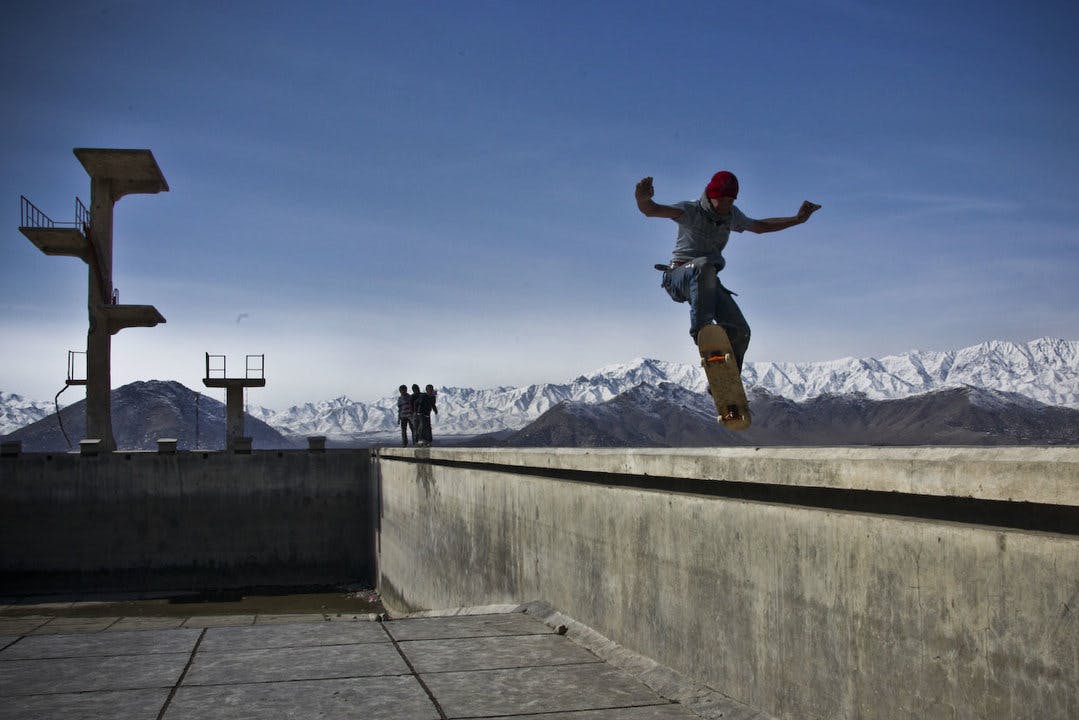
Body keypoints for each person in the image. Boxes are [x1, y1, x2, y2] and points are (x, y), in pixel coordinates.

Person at [635, 171, 820, 370]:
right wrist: (642, 198)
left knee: (740, 331)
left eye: (730, 201)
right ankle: (704, 334)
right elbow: (651, 210)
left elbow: (759, 226)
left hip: (707, 283)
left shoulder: (732, 215)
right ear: (711, 196)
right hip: (679, 277)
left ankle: (725, 381)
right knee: (703, 265)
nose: (725, 207)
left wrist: (796, 219)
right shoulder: (689, 210)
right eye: (722, 201)